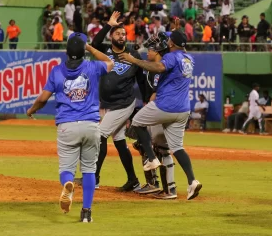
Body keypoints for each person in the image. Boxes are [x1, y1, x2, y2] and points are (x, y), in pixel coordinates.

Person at [26, 32, 114, 222]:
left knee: (66, 169)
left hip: (67, 126)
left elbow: (42, 99)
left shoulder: (56, 71)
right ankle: (86, 213)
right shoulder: (93, 66)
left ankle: (67, 184)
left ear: (66, 52)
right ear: (83, 51)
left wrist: (31, 110)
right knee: (89, 170)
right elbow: (110, 62)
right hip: (91, 124)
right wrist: (90, 47)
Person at [119, 30, 202, 200]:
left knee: (136, 122)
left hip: (166, 105)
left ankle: (151, 159)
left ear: (171, 44)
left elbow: (159, 67)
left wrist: (134, 60)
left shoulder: (170, 57)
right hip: (183, 110)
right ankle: (192, 181)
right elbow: (173, 39)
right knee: (177, 147)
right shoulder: (189, 58)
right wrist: (174, 31)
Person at [75, 11, 145, 191]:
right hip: (108, 103)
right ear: (112, 36)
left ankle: (94, 178)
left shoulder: (133, 55)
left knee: (99, 136)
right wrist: (109, 24)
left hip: (124, 103)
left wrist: (146, 103)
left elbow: (142, 81)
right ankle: (133, 181)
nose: (122, 36)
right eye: (118, 33)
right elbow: (95, 43)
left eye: (124, 34)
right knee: (120, 140)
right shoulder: (105, 49)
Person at [131, 32, 177, 199]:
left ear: (157, 52)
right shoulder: (158, 67)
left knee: (161, 149)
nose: (147, 52)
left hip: (159, 110)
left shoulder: (160, 68)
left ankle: (165, 188)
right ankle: (160, 185)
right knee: (150, 146)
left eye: (150, 50)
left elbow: (156, 93)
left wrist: (148, 110)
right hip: (160, 110)